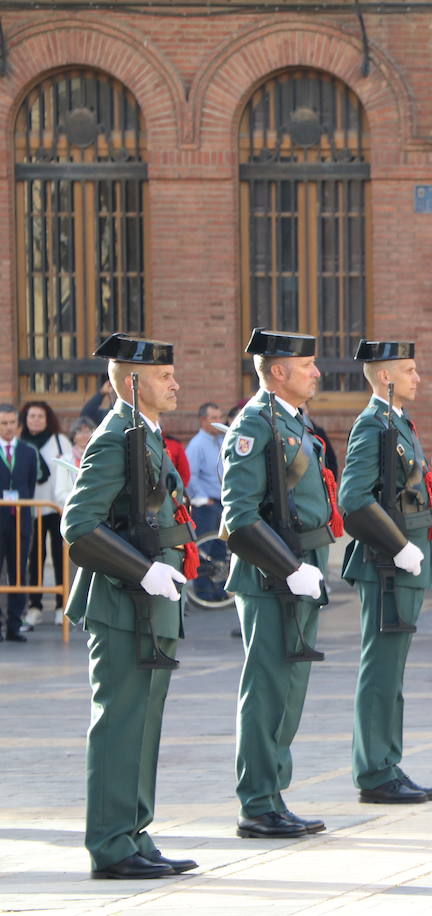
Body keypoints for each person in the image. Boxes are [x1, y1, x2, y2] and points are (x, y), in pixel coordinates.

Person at [61, 333, 198, 878]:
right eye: (166, 376)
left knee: (144, 725)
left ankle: (135, 834)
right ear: (134, 381)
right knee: (120, 724)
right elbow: (80, 525)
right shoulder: (117, 436)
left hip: (150, 603)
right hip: (121, 604)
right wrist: (144, 570)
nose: (176, 384)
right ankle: (111, 845)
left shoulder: (145, 435)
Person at [221, 328, 335, 839]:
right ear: (279, 371)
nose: (317, 372)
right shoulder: (254, 424)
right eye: (307, 364)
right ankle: (257, 803)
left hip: (301, 565)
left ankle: (273, 795)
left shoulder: (292, 421)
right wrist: (290, 569)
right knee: (267, 688)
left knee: (289, 688)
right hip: (272, 575)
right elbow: (240, 516)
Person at [339, 340, 432, 804]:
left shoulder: (396, 423)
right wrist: (399, 548)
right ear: (386, 377)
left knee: (393, 670)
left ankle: (388, 763)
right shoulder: (372, 426)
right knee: (381, 671)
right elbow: (354, 500)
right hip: (386, 565)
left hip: (402, 562)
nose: (418, 378)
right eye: (409, 370)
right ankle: (375, 772)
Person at [20, 400, 73, 627]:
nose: (36, 420)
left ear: (47, 418)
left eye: (40, 416)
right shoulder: (20, 442)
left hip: (56, 508)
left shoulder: (60, 441)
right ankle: (34, 606)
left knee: (60, 557)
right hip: (31, 509)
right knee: (35, 558)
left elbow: (69, 473)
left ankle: (62, 606)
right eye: (32, 416)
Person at [0, 404, 41, 642]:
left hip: (20, 520)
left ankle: (14, 625)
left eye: (11, 423)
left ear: (18, 425)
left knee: (18, 571)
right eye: (3, 423)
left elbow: (30, 484)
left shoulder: (27, 451)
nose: (7, 428)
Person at [185, 402, 225, 537]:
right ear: (202, 420)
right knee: (205, 547)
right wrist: (202, 498)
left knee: (220, 549)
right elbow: (191, 475)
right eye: (213, 418)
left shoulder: (221, 440)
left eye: (220, 417)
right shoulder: (197, 444)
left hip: (222, 503)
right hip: (207, 506)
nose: (218, 421)